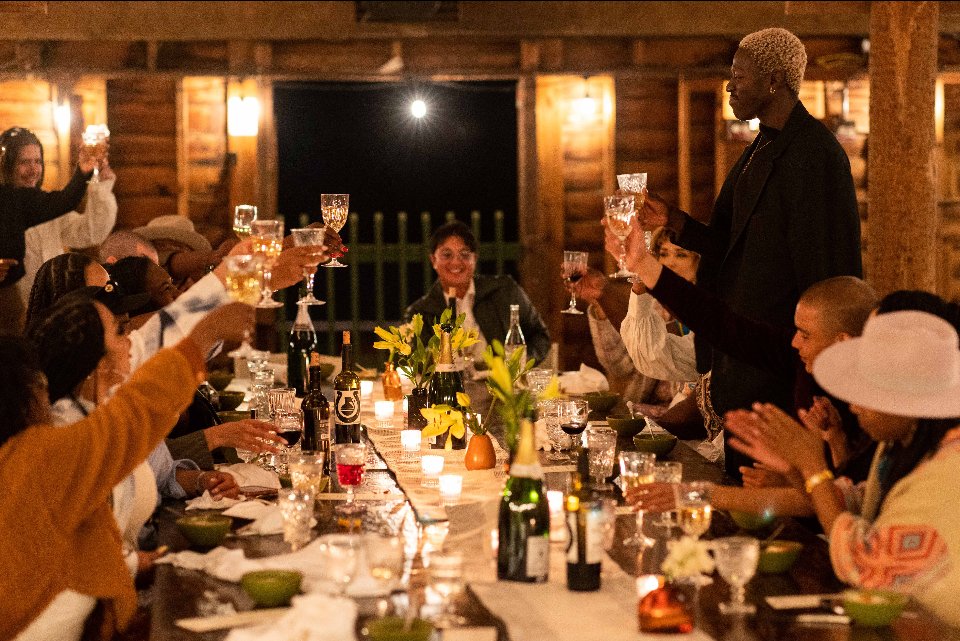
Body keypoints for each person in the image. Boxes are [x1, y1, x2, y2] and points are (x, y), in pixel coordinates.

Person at [637, 28, 863, 478]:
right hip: (741, 357)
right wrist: (676, 222)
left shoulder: (813, 155)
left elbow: (823, 275)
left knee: (778, 503)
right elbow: (731, 248)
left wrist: (812, 376)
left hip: (781, 364)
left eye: (739, 74)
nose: (729, 84)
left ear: (775, 80)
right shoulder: (760, 148)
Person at [0, 302, 253, 641]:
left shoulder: (23, 455)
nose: (132, 340)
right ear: (30, 391)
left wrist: (141, 565)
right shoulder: (41, 455)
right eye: (119, 332)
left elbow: (74, 548)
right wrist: (201, 337)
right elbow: (137, 415)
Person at [723, 310, 960, 624]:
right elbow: (852, 503)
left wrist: (813, 468)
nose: (854, 405)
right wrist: (698, 494)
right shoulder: (900, 445)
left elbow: (865, 567)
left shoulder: (945, 469)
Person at [619, 232, 879, 483]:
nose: (794, 341)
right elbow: (723, 325)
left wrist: (791, 479)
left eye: (805, 335)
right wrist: (644, 264)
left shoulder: (877, 404)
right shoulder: (798, 359)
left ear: (842, 343)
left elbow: (853, 496)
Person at [25, 290, 245, 577]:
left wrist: (201, 480)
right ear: (98, 362)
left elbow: (160, 472)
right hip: (96, 596)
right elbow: (69, 546)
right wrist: (143, 563)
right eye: (119, 333)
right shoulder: (70, 426)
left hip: (132, 569)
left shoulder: (101, 408)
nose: (130, 340)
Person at [0, 126, 118, 309]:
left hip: (53, 310)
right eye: (24, 162)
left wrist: (100, 186)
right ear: (6, 166)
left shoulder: (48, 206)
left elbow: (91, 232)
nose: (33, 170)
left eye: (37, 161)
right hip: (10, 313)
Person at [404, 220, 551, 365]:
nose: (456, 262)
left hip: (500, 384)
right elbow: (418, 361)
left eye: (465, 254)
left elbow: (539, 336)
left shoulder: (505, 290)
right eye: (447, 255)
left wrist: (517, 364)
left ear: (474, 258)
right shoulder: (420, 313)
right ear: (433, 260)